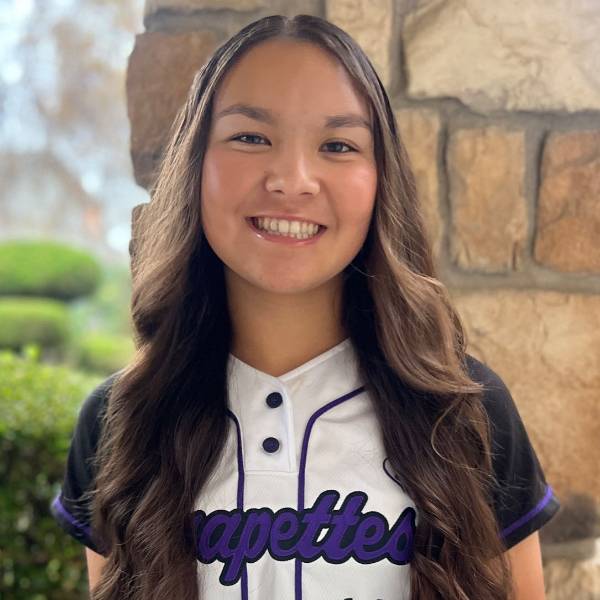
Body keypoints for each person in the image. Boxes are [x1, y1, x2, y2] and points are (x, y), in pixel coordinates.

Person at [50, 13, 560, 600]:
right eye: (250, 137)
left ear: (381, 181)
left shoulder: (465, 412)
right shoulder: (122, 421)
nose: (293, 180)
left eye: (338, 145)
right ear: (195, 166)